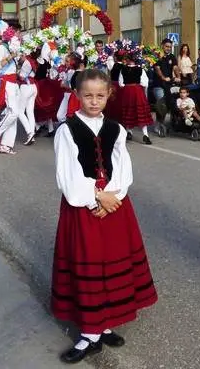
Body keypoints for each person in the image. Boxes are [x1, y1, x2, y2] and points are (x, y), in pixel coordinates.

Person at [50, 69, 157, 364]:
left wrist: (114, 197)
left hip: (115, 208)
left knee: (110, 262)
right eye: (88, 95)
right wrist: (97, 196)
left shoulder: (116, 129)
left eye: (100, 95)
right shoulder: (66, 130)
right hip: (82, 208)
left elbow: (123, 168)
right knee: (89, 263)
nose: (94, 101)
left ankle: (104, 322)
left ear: (109, 94)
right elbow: (67, 176)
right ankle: (89, 334)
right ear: (77, 96)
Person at [0, 37, 20, 154]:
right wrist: (11, 56)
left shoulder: (11, 47)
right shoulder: (1, 48)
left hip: (14, 82)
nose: (19, 36)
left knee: (13, 115)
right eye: (17, 33)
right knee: (13, 112)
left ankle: (7, 144)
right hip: (7, 82)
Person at [114, 51, 153, 144]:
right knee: (141, 112)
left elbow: (121, 84)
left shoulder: (122, 69)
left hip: (127, 91)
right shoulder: (140, 69)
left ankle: (129, 132)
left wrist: (127, 85)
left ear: (127, 60)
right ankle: (145, 134)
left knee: (129, 111)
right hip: (137, 90)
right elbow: (145, 83)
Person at [151, 39, 178, 129]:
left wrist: (178, 76)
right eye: (167, 46)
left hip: (168, 84)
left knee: (169, 103)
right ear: (162, 46)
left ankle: (161, 123)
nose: (168, 48)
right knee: (161, 103)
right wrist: (163, 77)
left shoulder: (172, 57)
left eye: (170, 47)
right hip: (158, 84)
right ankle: (158, 124)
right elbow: (157, 69)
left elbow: (175, 68)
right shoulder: (157, 56)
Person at [17, 50, 39, 146]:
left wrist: (16, 73)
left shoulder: (27, 62)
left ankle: (30, 132)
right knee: (30, 111)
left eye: (21, 55)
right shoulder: (34, 61)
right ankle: (32, 135)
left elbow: (22, 77)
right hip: (33, 87)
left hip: (26, 87)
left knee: (19, 111)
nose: (20, 57)